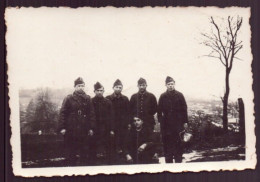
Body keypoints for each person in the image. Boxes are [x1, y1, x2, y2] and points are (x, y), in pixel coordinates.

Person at [58, 77, 96, 165]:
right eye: (79, 86)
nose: (81, 87)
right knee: (72, 152)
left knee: (84, 152)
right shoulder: (69, 98)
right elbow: (63, 113)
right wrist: (62, 127)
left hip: (84, 129)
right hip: (71, 129)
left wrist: (91, 128)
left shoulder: (87, 98)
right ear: (75, 87)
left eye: (82, 86)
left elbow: (92, 114)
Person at [158, 76, 188, 163]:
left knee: (178, 145)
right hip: (166, 125)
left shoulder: (179, 95)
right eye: (168, 84)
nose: (170, 86)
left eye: (172, 84)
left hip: (178, 124)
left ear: (174, 84)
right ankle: (169, 164)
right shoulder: (163, 96)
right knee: (168, 146)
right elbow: (159, 110)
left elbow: (184, 109)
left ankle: (178, 162)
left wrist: (185, 122)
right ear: (166, 85)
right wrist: (161, 121)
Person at [92, 82, 115, 164]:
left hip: (106, 129)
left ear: (103, 91)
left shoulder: (108, 102)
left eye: (101, 90)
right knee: (93, 148)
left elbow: (112, 117)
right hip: (94, 129)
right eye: (97, 90)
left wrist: (112, 129)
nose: (99, 92)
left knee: (108, 149)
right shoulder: (91, 102)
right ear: (94, 91)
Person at [106, 79, 130, 154]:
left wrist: (128, 123)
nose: (118, 89)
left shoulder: (125, 99)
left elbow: (128, 112)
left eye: (120, 87)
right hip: (112, 124)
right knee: (112, 142)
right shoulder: (108, 98)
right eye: (116, 87)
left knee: (123, 142)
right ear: (113, 88)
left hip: (123, 124)